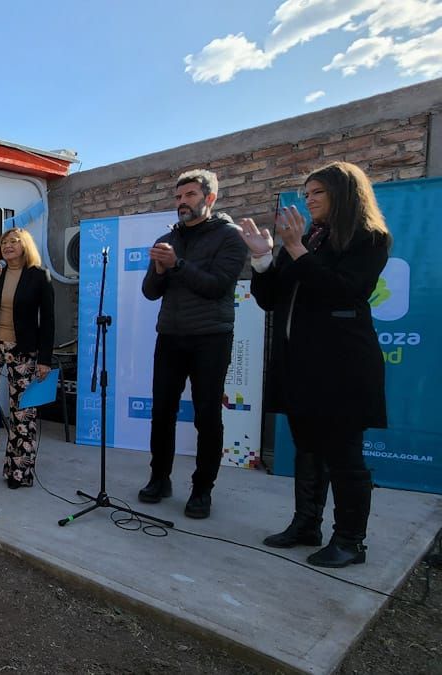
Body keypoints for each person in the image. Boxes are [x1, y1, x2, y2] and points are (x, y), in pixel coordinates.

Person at [242, 161, 391, 568]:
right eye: (306, 193)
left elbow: (345, 292)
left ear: (344, 194)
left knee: (344, 455)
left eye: (317, 193)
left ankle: (350, 540)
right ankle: (306, 524)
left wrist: (294, 249)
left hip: (342, 367)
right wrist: (262, 261)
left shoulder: (370, 239)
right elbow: (272, 298)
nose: (307, 200)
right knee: (307, 449)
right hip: (300, 365)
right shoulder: (310, 239)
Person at [139, 169, 247, 519]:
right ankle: (160, 478)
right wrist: (158, 270)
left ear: (209, 199)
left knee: (207, 416)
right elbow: (150, 292)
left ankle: (202, 489)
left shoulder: (230, 237)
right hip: (170, 335)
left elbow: (217, 286)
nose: (182, 202)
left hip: (211, 338)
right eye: (178, 197)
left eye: (189, 195)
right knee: (162, 412)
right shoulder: (167, 238)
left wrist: (178, 265)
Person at [0, 228, 55, 489]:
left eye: (14, 241)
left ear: (25, 246)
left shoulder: (39, 276)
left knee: (22, 412)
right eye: (4, 242)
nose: (8, 246)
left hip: (23, 348)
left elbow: (48, 320)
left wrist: (44, 359)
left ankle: (18, 472)